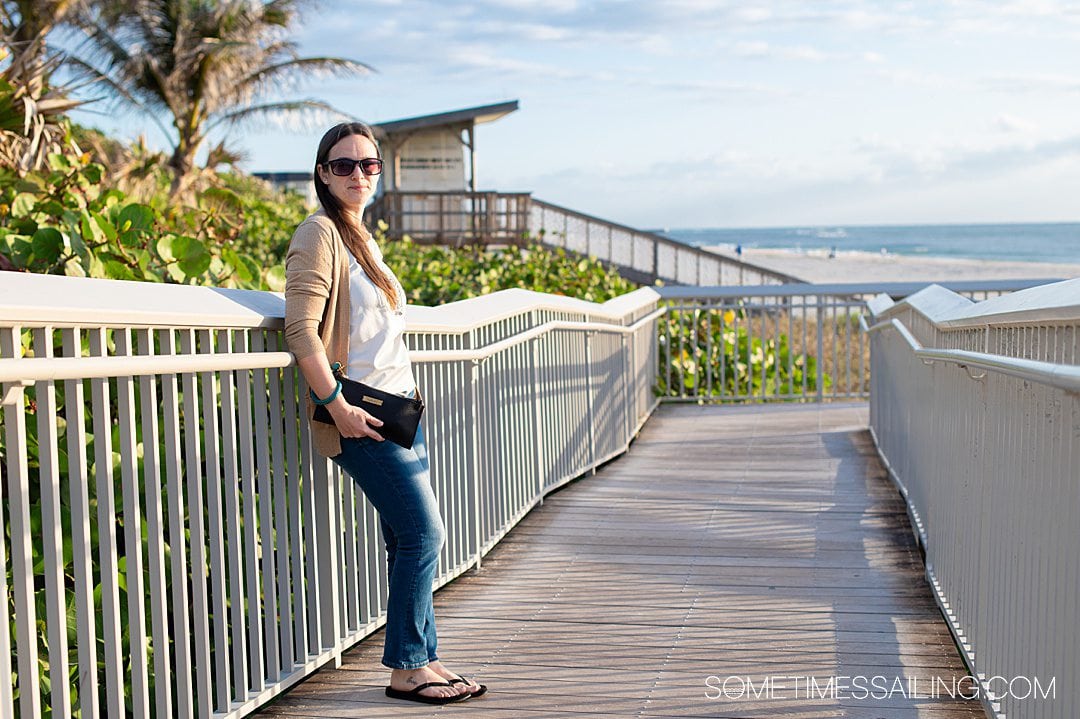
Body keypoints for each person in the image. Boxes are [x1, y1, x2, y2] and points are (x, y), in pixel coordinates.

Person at [284, 122, 486, 706]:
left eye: (368, 165)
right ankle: (404, 669)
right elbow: (302, 331)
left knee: (406, 539)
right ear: (322, 172)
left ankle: (424, 657)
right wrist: (335, 406)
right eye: (343, 165)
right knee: (426, 533)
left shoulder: (360, 237)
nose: (358, 175)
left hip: (399, 412)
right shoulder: (318, 233)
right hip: (360, 414)